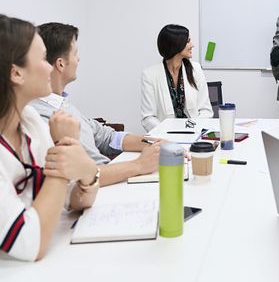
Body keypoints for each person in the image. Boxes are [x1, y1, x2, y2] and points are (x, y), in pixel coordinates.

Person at [0, 15, 98, 261]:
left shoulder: (31, 122)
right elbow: (32, 244)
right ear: (16, 73)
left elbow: (70, 199)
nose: (51, 66)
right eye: (43, 58)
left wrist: (89, 177)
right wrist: (64, 152)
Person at [30, 22, 160, 186]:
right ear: (61, 63)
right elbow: (75, 177)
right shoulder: (38, 117)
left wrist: (155, 144)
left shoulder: (62, 103)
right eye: (75, 53)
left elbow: (108, 137)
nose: (78, 58)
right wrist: (139, 165)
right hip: (96, 190)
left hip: (108, 183)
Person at [141, 24, 213, 132]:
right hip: (164, 138)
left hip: (194, 133)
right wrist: (168, 133)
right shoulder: (149, 75)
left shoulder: (196, 69)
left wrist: (190, 129)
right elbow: (148, 118)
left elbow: (206, 111)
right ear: (177, 45)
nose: (192, 45)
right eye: (188, 41)